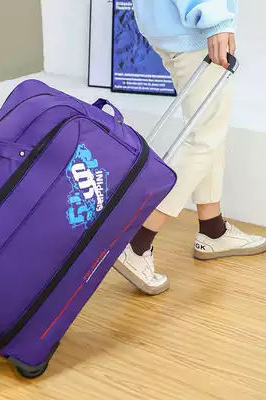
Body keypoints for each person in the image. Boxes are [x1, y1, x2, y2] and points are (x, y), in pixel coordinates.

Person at [114, 0, 266, 296]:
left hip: (171, 27)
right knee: (204, 137)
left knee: (207, 130)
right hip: (194, 30)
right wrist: (215, 20)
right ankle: (138, 242)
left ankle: (212, 230)